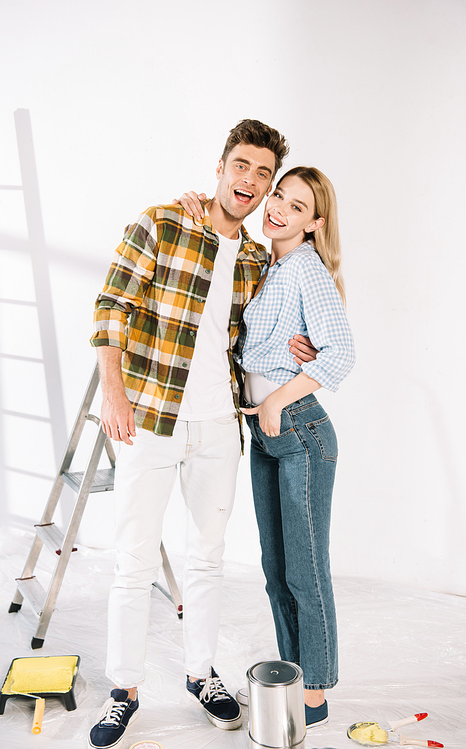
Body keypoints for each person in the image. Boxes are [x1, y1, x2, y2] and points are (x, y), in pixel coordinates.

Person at [88, 120, 314, 749]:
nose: (251, 180)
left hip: (219, 425)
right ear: (220, 167)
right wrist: (115, 395)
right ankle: (123, 691)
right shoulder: (160, 223)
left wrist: (296, 348)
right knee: (133, 560)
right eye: (242, 165)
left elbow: (254, 334)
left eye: (263, 174)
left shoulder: (251, 258)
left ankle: (200, 675)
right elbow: (111, 309)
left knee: (207, 559)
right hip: (150, 419)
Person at [179, 166, 355, 730]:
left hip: (299, 430)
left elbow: (342, 354)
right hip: (263, 432)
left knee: (306, 570)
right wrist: (195, 203)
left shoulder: (307, 268)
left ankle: (316, 693)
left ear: (315, 223)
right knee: (275, 567)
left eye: (297, 206)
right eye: (278, 194)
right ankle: (295, 676)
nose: (278, 207)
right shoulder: (265, 261)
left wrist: (280, 399)